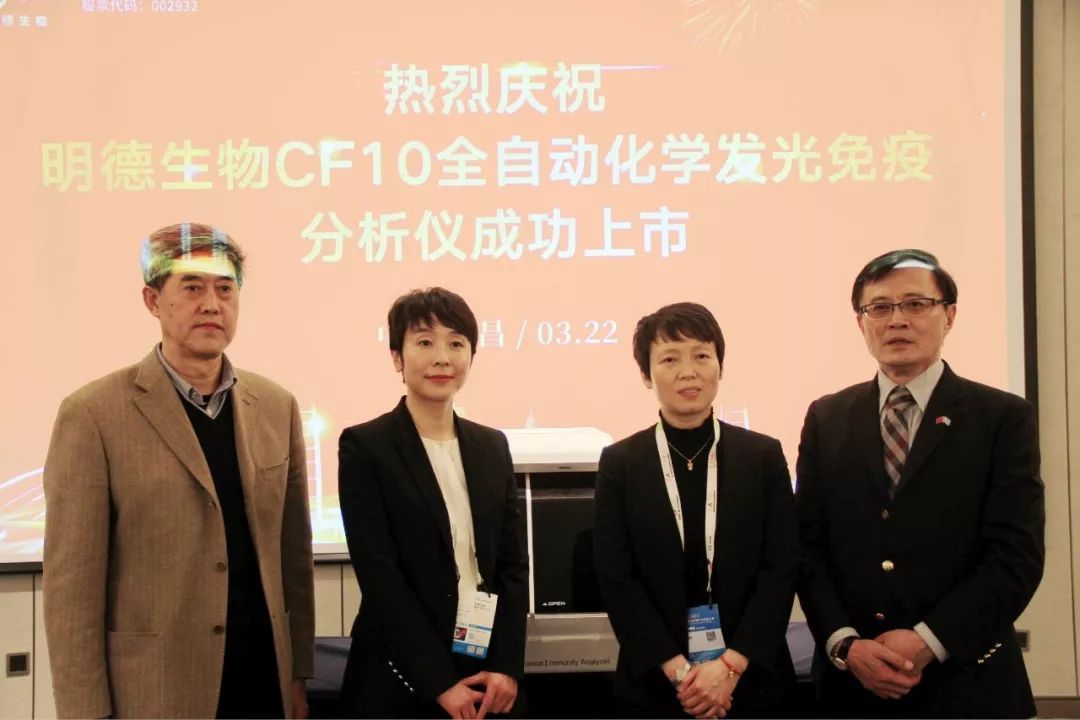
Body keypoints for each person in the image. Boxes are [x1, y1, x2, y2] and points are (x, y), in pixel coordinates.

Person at [43, 222, 315, 718]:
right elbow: (72, 587)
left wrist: (297, 675)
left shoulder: (277, 406)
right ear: (153, 300)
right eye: (192, 288)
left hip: (261, 678)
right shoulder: (93, 414)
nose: (211, 305)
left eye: (225, 289)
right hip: (154, 688)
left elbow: (292, 557)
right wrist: (85, 711)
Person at [795, 249, 1045, 717]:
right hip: (853, 688)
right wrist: (845, 644)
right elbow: (808, 548)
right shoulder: (827, 417)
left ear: (949, 315)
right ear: (861, 323)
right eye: (880, 307)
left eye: (915, 304)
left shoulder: (1001, 417)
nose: (897, 320)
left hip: (969, 686)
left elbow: (1017, 555)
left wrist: (929, 640)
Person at [594, 302, 798, 718]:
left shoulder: (761, 455)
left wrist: (731, 667)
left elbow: (781, 566)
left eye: (701, 355)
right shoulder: (621, 463)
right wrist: (680, 673)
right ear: (646, 374)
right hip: (655, 684)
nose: (688, 371)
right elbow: (617, 577)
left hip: (753, 680)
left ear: (720, 366)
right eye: (670, 359)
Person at [338, 287, 528, 719]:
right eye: (424, 342)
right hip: (401, 675)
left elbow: (512, 566)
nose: (442, 358)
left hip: (486, 672)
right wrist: (439, 682)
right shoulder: (366, 446)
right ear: (397, 357)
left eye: (456, 344)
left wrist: (506, 666)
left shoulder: (491, 446)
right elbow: (381, 576)